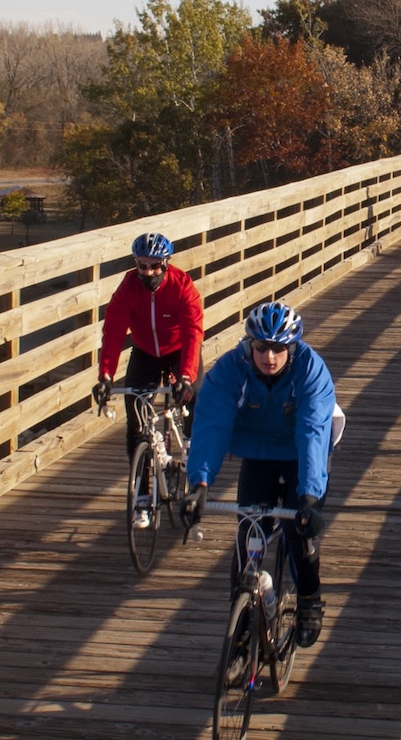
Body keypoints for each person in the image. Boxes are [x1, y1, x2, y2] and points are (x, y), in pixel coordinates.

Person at [182, 300, 337, 647]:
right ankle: (240, 628)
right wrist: (200, 483)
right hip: (257, 453)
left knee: (299, 533)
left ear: (292, 347)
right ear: (249, 345)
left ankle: (309, 599)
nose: (270, 357)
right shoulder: (230, 370)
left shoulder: (311, 370)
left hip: (300, 454)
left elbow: (313, 430)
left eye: (279, 348)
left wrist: (309, 497)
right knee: (248, 537)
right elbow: (211, 424)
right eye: (261, 347)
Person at [94, 232, 203, 471]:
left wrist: (185, 376)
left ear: (165, 263)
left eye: (154, 266)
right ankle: (141, 496)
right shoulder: (128, 288)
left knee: (194, 396)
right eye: (141, 266)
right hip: (145, 351)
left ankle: (191, 449)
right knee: (136, 423)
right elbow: (112, 333)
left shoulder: (181, 285)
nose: (148, 272)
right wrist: (105, 376)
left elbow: (193, 332)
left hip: (178, 349)